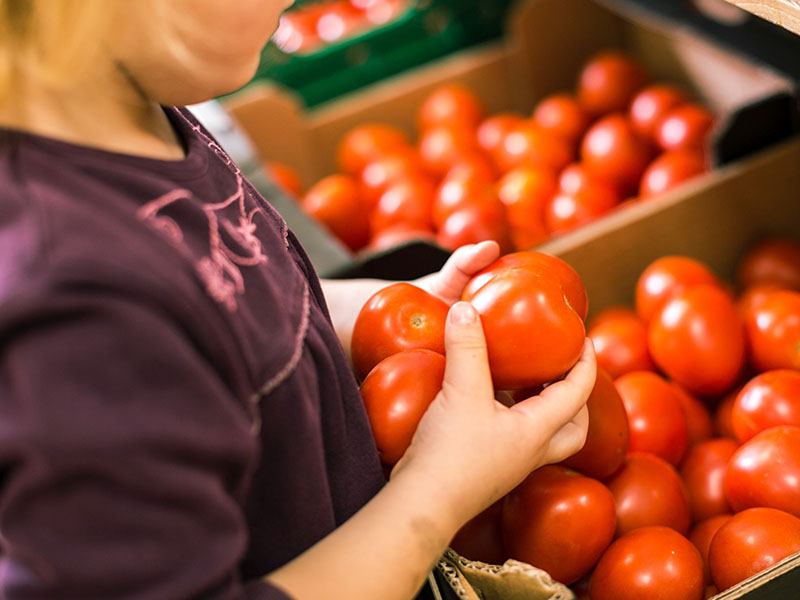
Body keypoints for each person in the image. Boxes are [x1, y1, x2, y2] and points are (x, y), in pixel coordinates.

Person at [0, 1, 595, 598]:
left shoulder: (126, 99)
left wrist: (382, 314)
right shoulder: (77, 321)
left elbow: (226, 293)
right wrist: (438, 493)